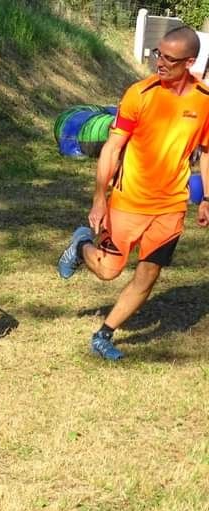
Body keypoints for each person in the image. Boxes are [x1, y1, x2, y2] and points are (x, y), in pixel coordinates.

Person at [57, 26, 209, 361]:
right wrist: (99, 198)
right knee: (108, 271)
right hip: (128, 202)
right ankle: (81, 244)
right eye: (159, 54)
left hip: (170, 207)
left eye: (169, 58)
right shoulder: (139, 94)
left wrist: (207, 198)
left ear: (190, 62)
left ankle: (104, 334)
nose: (160, 62)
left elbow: (206, 150)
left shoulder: (204, 101)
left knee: (149, 273)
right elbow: (112, 148)